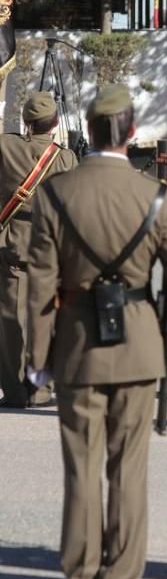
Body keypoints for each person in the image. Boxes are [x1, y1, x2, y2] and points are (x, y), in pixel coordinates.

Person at [27, 84, 167, 579]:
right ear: (128, 131)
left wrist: (38, 360)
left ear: (91, 128)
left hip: (77, 346)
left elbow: (38, 284)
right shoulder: (155, 196)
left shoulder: (56, 194)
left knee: (81, 471)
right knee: (128, 472)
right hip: (138, 343)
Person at [0, 91, 77, 409]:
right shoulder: (65, 157)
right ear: (56, 123)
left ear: (27, 123)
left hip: (14, 242)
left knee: (10, 320)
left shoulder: (5, 147)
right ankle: (42, 388)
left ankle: (16, 391)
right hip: (50, 246)